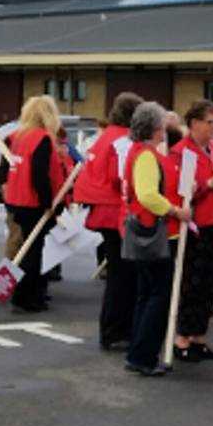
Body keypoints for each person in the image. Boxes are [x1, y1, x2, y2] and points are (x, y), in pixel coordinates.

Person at [122, 102, 191, 376]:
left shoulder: (139, 152)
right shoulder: (146, 156)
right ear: (154, 128)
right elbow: (148, 194)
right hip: (154, 231)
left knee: (146, 294)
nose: (166, 130)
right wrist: (175, 210)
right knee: (157, 296)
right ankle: (144, 355)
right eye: (162, 126)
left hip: (144, 229)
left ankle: (139, 352)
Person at [170, 99, 213, 363]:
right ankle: (182, 337)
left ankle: (199, 335)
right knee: (192, 282)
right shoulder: (182, 152)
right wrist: (209, 183)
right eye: (211, 122)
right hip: (198, 224)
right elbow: (183, 191)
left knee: (210, 282)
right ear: (195, 123)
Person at [75, 91, 142, 350]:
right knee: (123, 276)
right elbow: (121, 177)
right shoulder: (122, 141)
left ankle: (113, 329)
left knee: (118, 274)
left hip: (103, 209)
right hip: (116, 210)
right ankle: (116, 331)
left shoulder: (105, 137)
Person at [4, 95, 65, 313]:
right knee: (33, 252)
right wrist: (48, 203)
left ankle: (30, 294)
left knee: (28, 248)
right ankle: (25, 296)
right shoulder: (41, 139)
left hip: (17, 199)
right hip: (33, 202)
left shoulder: (18, 137)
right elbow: (40, 174)